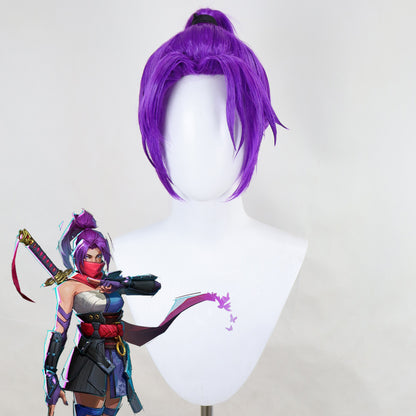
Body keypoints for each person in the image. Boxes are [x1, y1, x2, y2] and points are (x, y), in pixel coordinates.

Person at [114, 8, 307, 405]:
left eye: (222, 129)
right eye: (184, 131)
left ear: (253, 131)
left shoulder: (286, 253)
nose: (202, 154)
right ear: (157, 134)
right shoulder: (128, 253)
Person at [45, 210, 161, 416]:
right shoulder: (70, 286)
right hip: (89, 358)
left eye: (99, 256)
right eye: (89, 257)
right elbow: (59, 331)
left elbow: (154, 286)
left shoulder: (111, 282)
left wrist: (123, 283)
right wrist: (50, 373)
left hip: (117, 357)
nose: (95, 262)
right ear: (78, 257)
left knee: (110, 411)